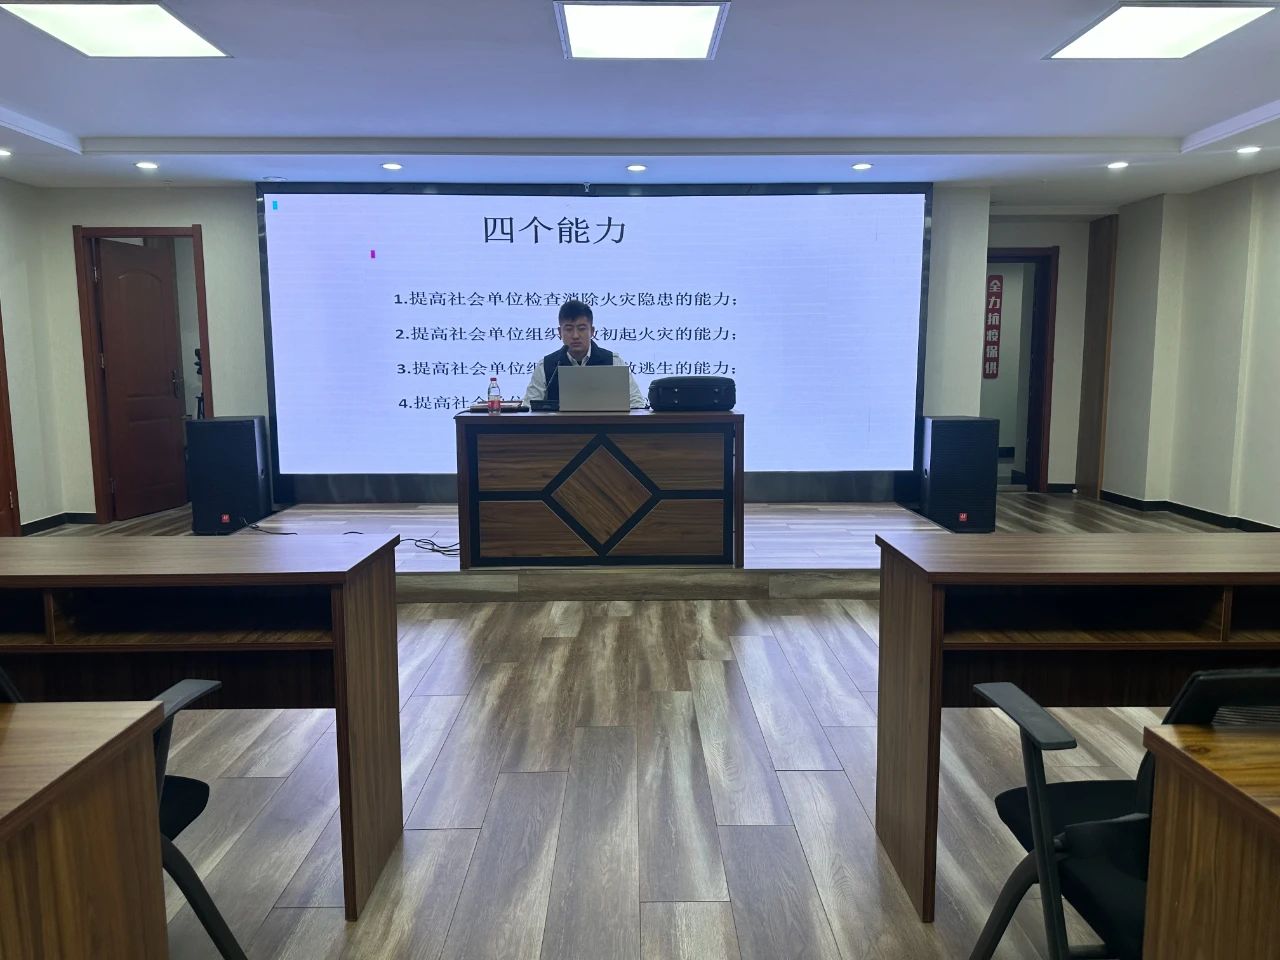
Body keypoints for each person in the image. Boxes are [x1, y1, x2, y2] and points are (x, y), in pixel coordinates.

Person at [524, 299, 645, 408]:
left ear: (592, 331)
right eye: (569, 329)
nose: (575, 336)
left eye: (581, 329)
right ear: (560, 332)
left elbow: (637, 404)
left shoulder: (613, 362)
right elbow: (528, 408)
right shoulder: (546, 366)